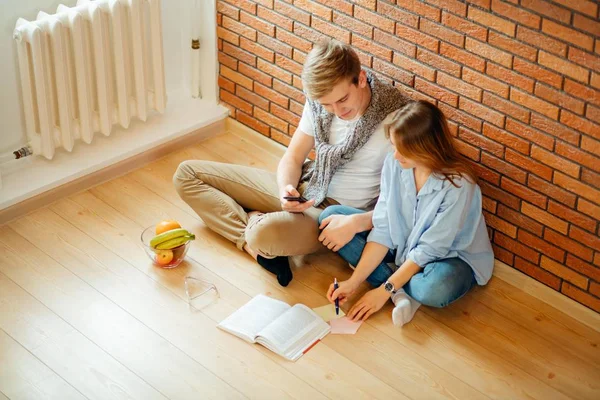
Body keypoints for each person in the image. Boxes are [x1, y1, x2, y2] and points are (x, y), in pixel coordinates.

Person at [173, 39, 409, 286]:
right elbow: (294, 157)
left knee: (261, 233)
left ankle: (256, 229)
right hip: (307, 188)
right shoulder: (320, 105)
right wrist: (286, 189)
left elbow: (405, 201)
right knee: (186, 175)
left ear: (360, 79)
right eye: (327, 104)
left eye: (342, 100)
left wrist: (356, 223)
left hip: (332, 217)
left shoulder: (397, 119)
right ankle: (256, 243)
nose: (336, 111)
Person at [322, 100, 494, 326]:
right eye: (393, 146)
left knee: (432, 290)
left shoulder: (460, 186)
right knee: (330, 218)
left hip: (448, 257)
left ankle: (394, 285)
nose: (394, 155)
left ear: (425, 148)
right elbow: (383, 227)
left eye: (402, 149)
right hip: (404, 246)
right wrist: (353, 282)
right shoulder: (396, 164)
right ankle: (401, 294)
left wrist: (382, 292)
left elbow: (430, 250)